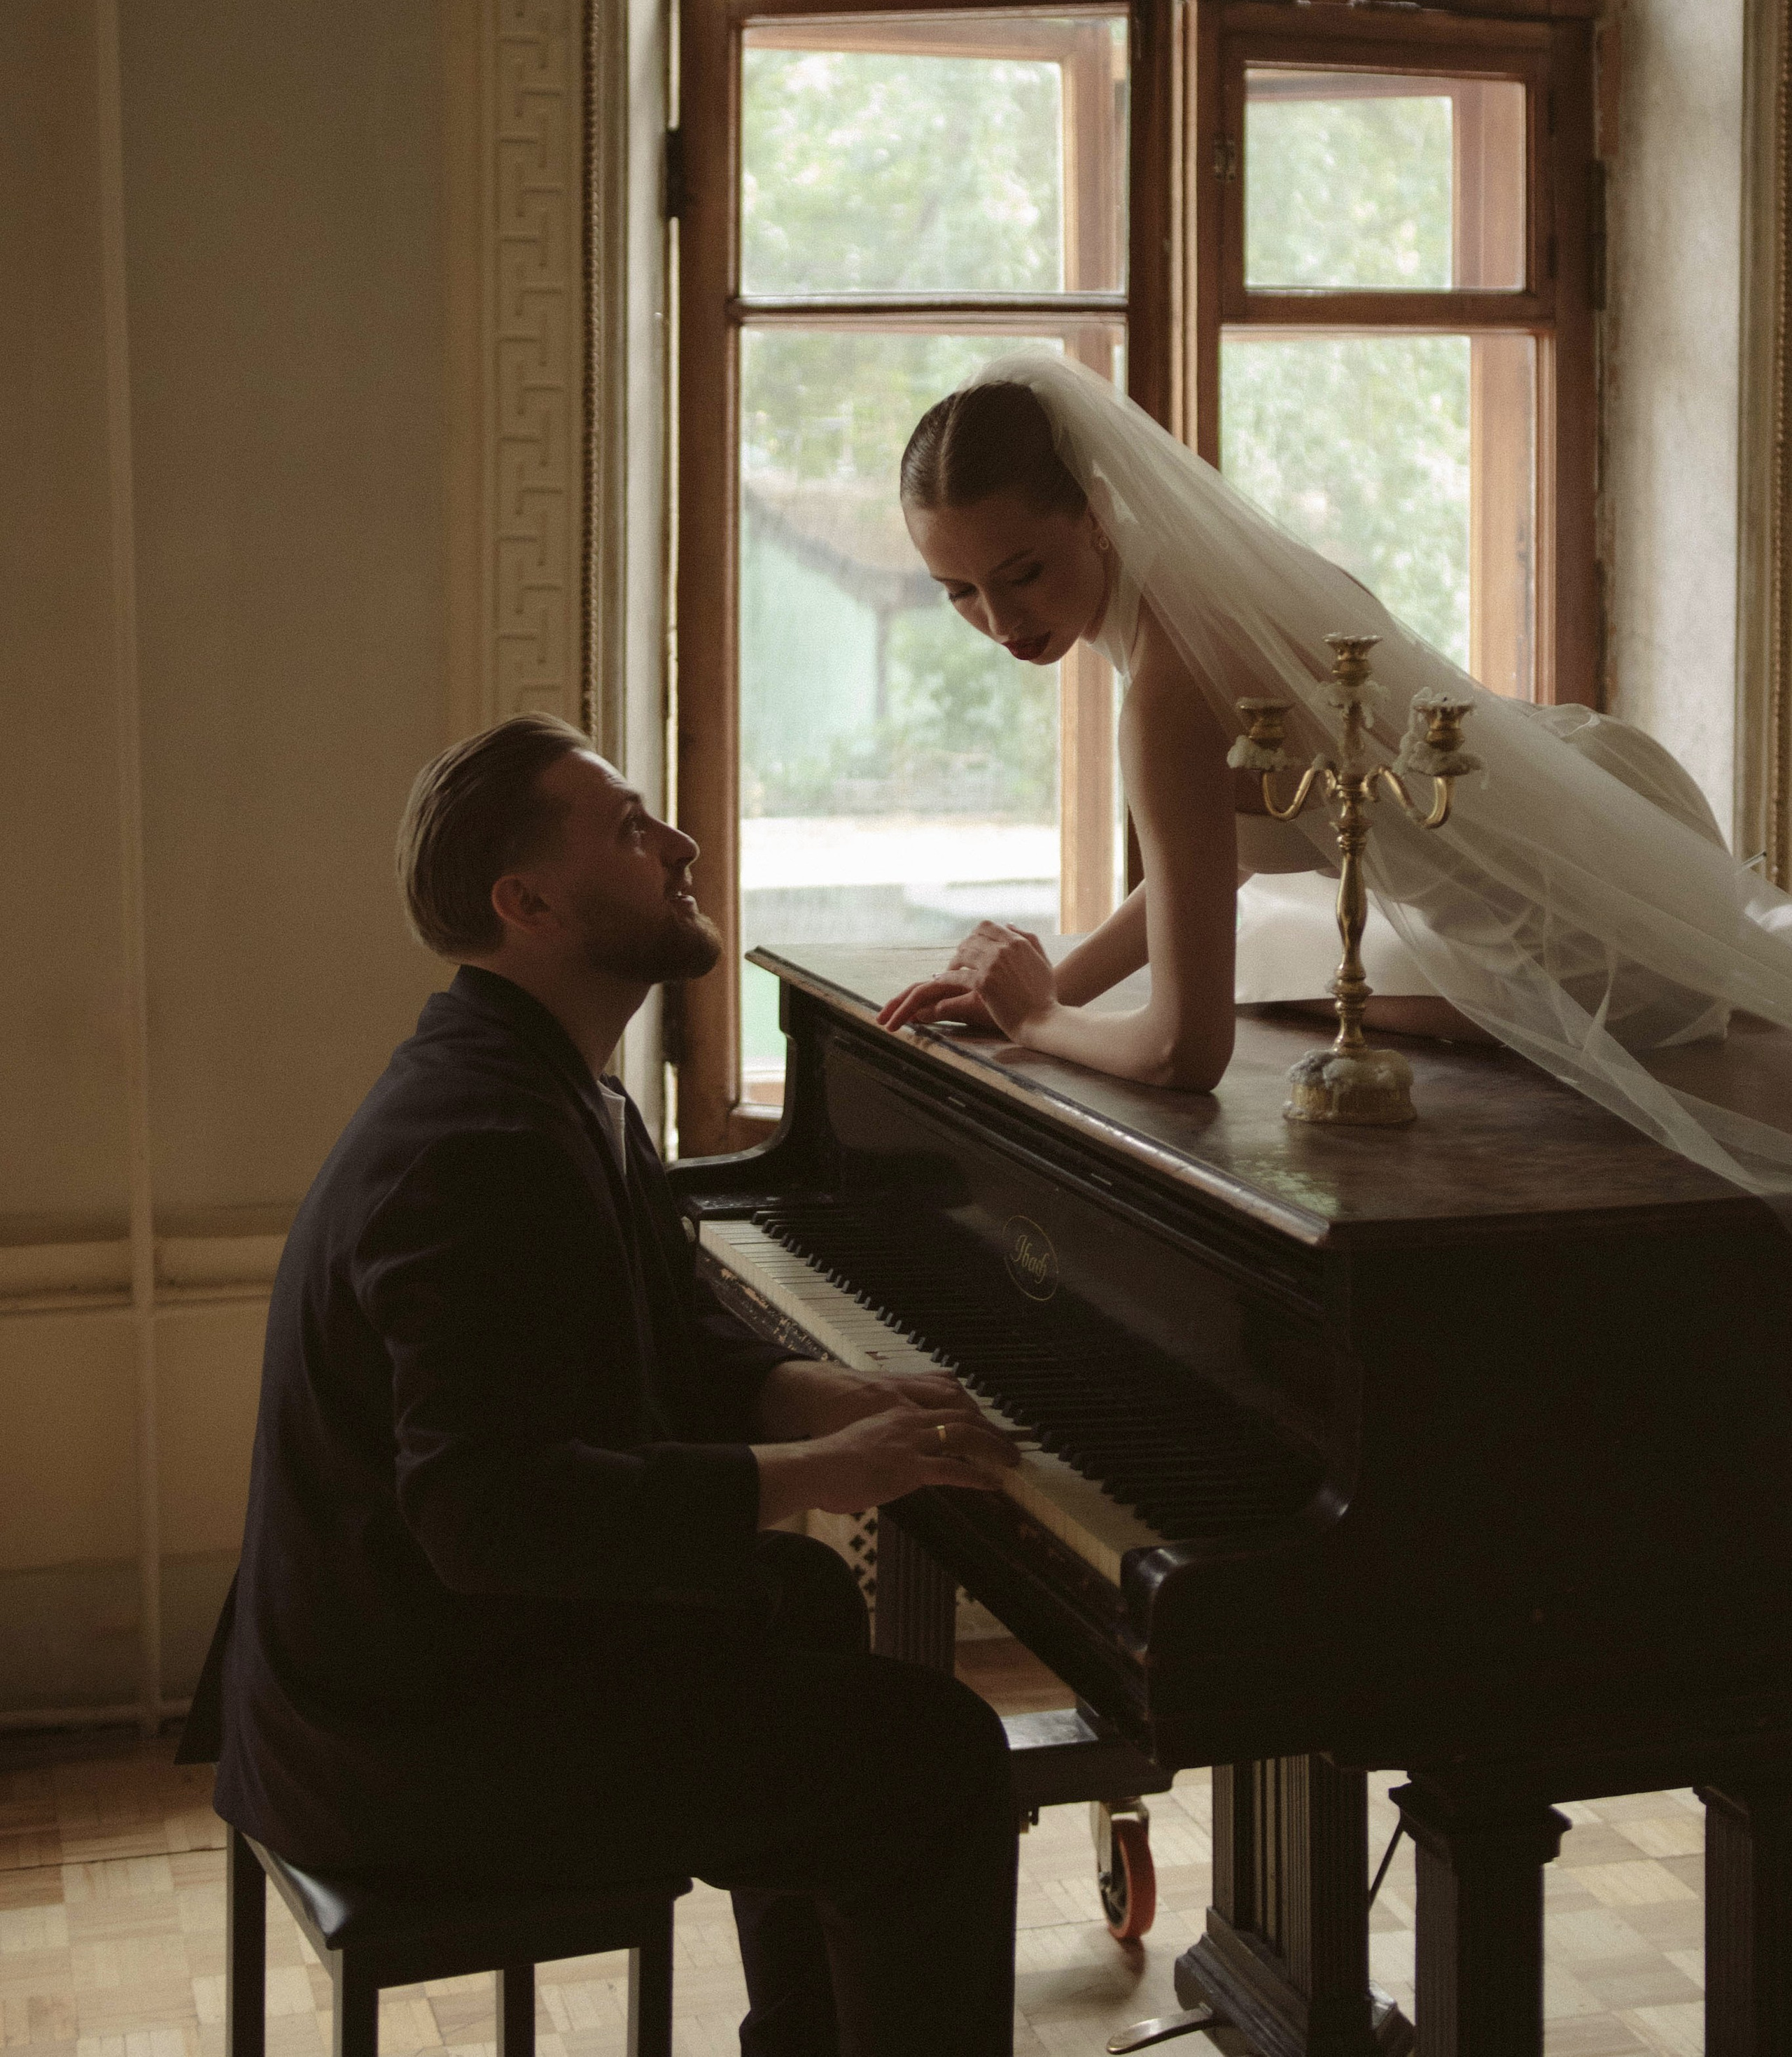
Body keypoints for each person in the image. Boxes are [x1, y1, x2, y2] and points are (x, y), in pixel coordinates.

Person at [184, 712, 1021, 2057]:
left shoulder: (545, 1081)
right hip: (411, 1748)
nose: (680, 843)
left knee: (798, 1594)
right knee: (938, 1767)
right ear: (527, 903)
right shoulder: (481, 1144)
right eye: (630, 829)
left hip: (415, 1672)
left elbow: (674, 1333)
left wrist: (818, 1399)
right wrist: (812, 1478)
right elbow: (487, 1515)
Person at [876, 353, 1792, 1212]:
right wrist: (1060, 984)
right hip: (1616, 795)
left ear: (1096, 510)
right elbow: (1213, 852)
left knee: (1273, 979)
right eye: (957, 590)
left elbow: (1181, 1055)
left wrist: (1036, 1016)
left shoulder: (1167, 688)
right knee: (1281, 956)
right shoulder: (1194, 583)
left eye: (1021, 573)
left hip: (1602, 943)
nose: (999, 621)